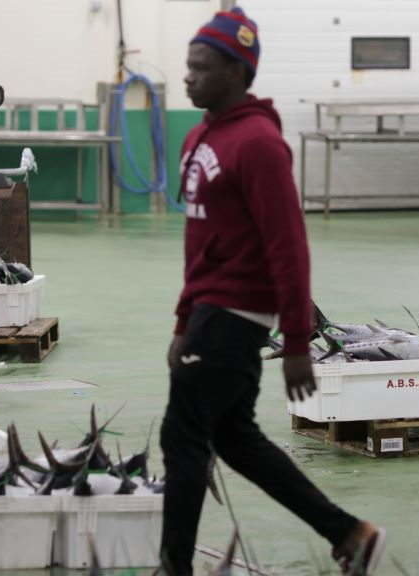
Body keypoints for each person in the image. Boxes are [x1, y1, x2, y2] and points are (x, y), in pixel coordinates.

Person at [159, 8, 385, 575]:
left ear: (236, 72)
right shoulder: (198, 137)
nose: (187, 77)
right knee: (233, 439)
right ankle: (350, 533)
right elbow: (199, 244)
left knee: (182, 436)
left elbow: (289, 246)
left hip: (236, 315)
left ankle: (174, 566)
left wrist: (298, 343)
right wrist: (182, 321)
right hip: (208, 312)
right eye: (187, 66)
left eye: (200, 67)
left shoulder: (258, 144)